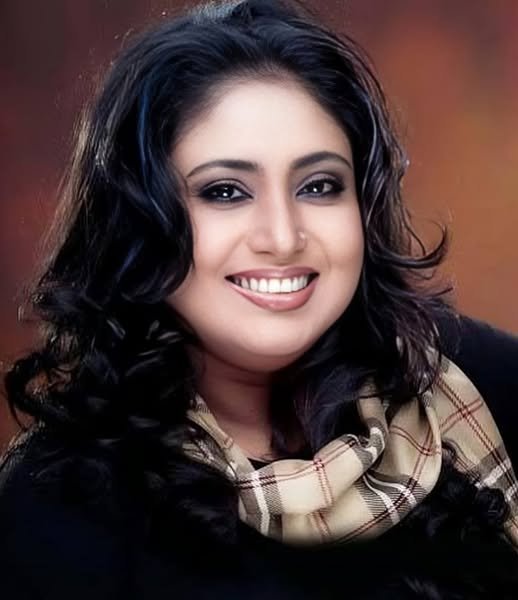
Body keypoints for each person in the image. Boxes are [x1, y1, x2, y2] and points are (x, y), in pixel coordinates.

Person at [1, 0, 517, 597]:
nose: (282, 236)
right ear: (138, 220)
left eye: (319, 186)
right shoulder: (59, 508)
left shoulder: (475, 383)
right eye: (225, 192)